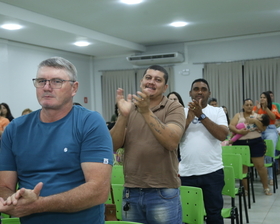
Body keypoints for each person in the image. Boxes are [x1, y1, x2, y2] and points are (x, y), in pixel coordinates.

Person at [0, 57, 113, 224]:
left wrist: (37, 205)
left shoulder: (89, 122)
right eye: (41, 81)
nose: (47, 87)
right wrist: (14, 199)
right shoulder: (15, 128)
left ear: (74, 88)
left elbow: (98, 191)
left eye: (56, 81)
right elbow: (4, 188)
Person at [110, 65, 185, 224]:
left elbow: (172, 142)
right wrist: (123, 116)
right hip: (131, 191)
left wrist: (145, 111)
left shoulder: (174, 107)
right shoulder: (130, 108)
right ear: (141, 82)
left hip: (163, 192)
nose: (152, 82)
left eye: (158, 80)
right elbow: (112, 145)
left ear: (165, 87)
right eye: (148, 78)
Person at [179, 78, 228, 224]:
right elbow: (174, 139)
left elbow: (222, 135)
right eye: (196, 89)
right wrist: (189, 118)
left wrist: (201, 115)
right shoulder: (181, 112)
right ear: (190, 93)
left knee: (214, 216)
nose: (200, 92)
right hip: (187, 173)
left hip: (212, 172)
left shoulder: (217, 111)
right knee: (189, 217)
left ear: (209, 93)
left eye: (203, 89)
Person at [230, 98, 272, 195]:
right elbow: (231, 126)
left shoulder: (258, 116)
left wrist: (255, 121)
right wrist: (239, 132)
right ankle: (246, 190)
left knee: (260, 166)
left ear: (253, 106)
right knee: (243, 168)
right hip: (240, 144)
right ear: (243, 106)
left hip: (256, 143)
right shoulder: (238, 115)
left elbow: (263, 129)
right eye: (247, 104)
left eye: (250, 104)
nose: (249, 106)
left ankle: (266, 187)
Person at [253, 91, 280, 185]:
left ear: (268, 99)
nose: (262, 99)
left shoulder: (273, 107)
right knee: (260, 153)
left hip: (271, 129)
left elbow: (273, 117)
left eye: (264, 97)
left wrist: (265, 108)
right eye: (261, 97)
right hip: (260, 129)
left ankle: (271, 177)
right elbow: (252, 117)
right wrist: (258, 109)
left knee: (269, 153)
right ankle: (263, 176)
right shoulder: (256, 107)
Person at [167, 91, 185, 161]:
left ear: (179, 101)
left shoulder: (186, 113)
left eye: (175, 99)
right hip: (170, 153)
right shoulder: (163, 115)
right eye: (170, 99)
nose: (172, 102)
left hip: (183, 150)